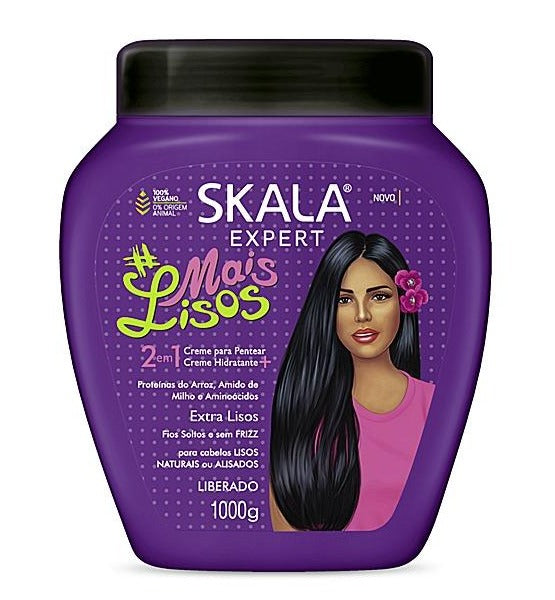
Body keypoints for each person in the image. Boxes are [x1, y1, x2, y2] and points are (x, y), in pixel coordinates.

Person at [269, 232, 434, 531]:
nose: (362, 315)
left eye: (379, 297)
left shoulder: (437, 407)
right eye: (344, 300)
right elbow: (288, 541)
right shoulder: (303, 415)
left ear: (403, 302)